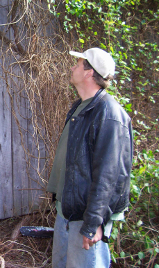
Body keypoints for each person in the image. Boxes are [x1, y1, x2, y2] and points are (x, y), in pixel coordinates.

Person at [47, 48, 133, 268]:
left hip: (85, 217)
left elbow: (109, 175)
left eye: (77, 64)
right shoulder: (80, 108)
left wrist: (94, 222)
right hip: (67, 211)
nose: (72, 67)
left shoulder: (109, 114)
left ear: (88, 72)